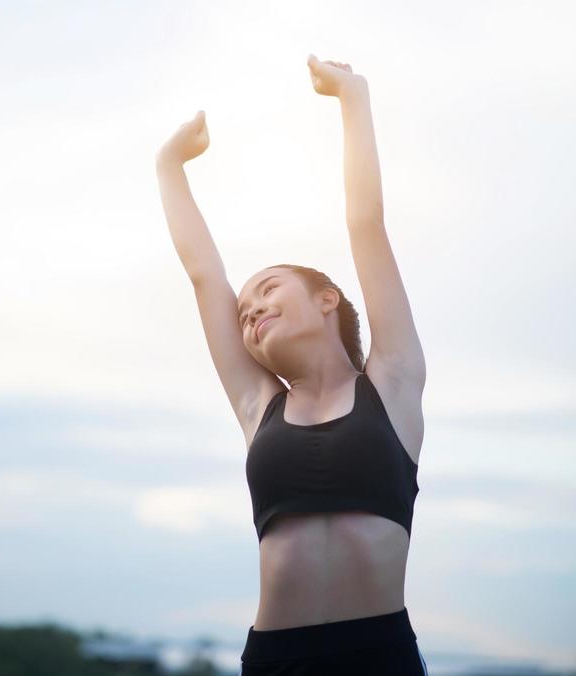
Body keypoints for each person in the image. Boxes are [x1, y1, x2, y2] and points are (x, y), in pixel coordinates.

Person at [155, 55, 429, 675]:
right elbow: (204, 275)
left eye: (269, 290)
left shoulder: (393, 381)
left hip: (379, 652)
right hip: (278, 657)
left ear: (326, 299)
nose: (250, 311)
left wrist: (352, 98)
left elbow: (366, 223)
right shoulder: (259, 407)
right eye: (245, 312)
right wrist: (169, 166)